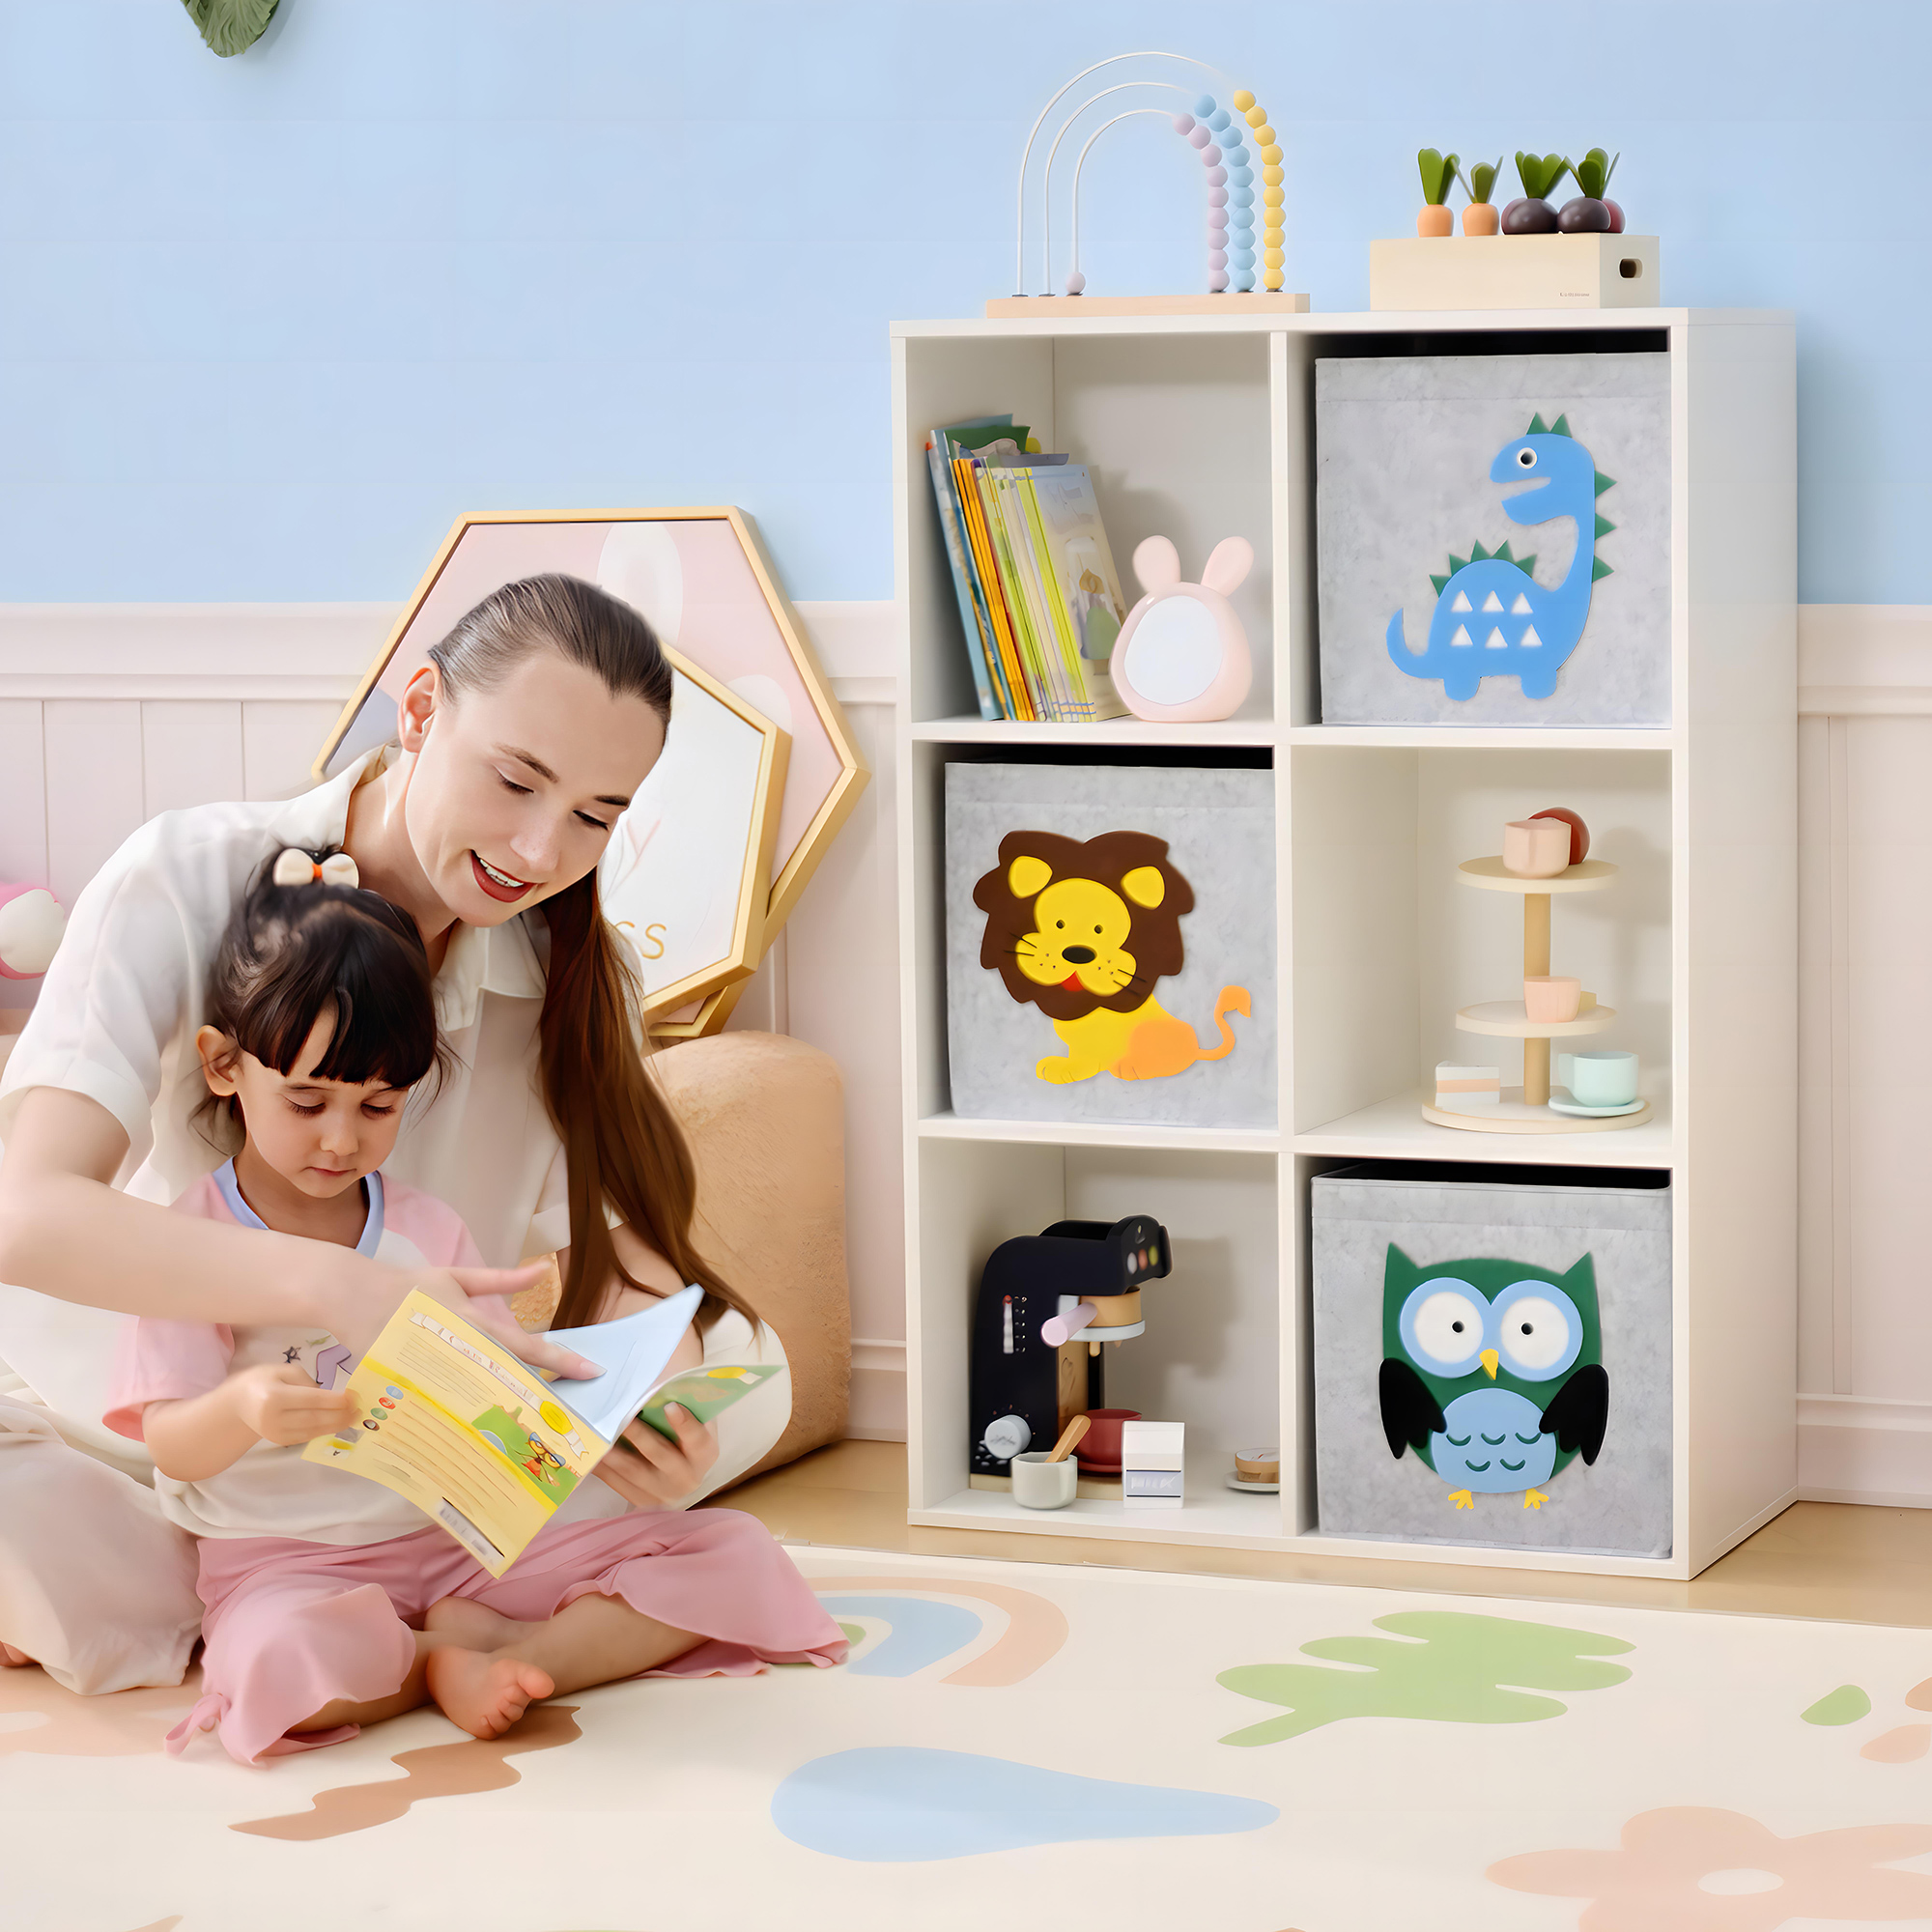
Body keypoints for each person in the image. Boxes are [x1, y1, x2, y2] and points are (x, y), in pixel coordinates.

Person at [0, 575, 765, 1692]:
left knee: (747, 1369)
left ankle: (318, 1636)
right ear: (419, 711)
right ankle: (379, 1627)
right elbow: (26, 1216)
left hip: (408, 1471)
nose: (539, 847)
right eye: (515, 780)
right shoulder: (187, 875)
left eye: (595, 816)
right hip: (146, 1435)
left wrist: (658, 1406)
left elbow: (625, 1262)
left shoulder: (568, 970)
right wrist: (346, 1289)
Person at [102, 849, 839, 1764]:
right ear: (224, 1066)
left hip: (460, 1546)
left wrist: (607, 1421)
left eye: (378, 1107)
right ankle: (438, 1663)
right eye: (306, 1102)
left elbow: (493, 1403)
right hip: (288, 1560)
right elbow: (170, 1444)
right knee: (274, 1665)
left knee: (731, 1551)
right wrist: (244, 1408)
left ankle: (504, 1652)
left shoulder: (426, 1227)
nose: (340, 1140)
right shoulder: (191, 1241)